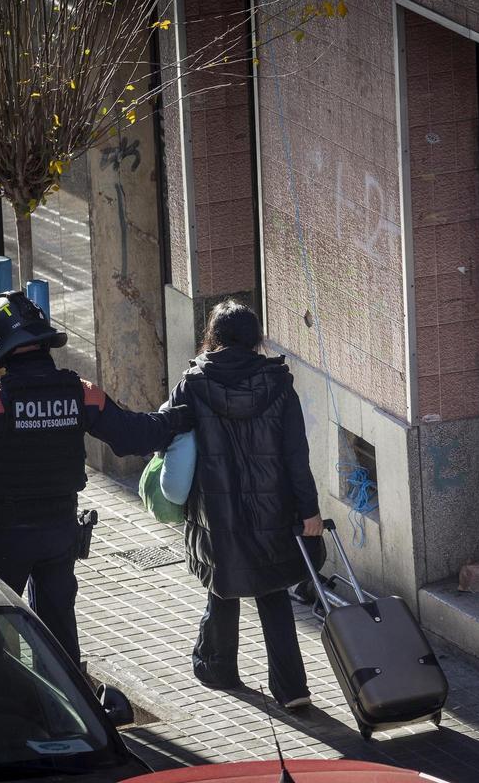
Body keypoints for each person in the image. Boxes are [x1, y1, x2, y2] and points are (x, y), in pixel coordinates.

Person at [0, 290, 194, 663]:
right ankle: (68, 706)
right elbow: (134, 435)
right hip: (59, 535)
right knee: (59, 640)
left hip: (5, 539)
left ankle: (5, 701)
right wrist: (182, 417)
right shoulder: (79, 393)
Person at [164, 300, 322, 710]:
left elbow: (164, 430)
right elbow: (295, 456)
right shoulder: (279, 385)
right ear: (255, 339)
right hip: (272, 510)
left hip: (216, 511)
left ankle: (219, 666)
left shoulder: (194, 384)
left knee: (224, 580)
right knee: (271, 592)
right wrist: (309, 511)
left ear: (213, 337)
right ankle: (292, 689)